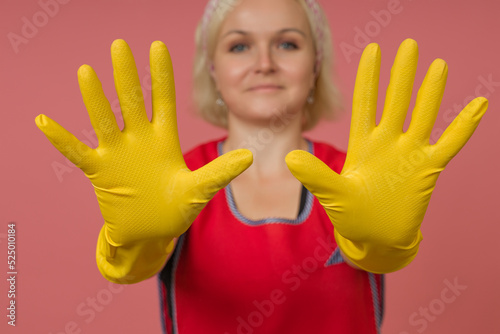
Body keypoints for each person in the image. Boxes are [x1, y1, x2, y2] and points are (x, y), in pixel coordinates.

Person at [34, 0, 488, 333]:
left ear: (315, 65)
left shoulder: (360, 175)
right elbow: (132, 267)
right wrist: (131, 242)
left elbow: (382, 254)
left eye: (288, 44)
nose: (265, 63)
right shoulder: (173, 179)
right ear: (212, 68)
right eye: (239, 47)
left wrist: (390, 243)